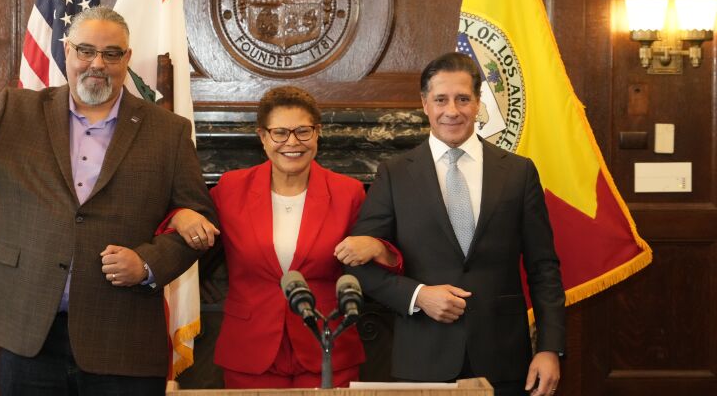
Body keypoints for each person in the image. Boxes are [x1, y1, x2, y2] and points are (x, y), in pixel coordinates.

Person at [0, 5, 217, 395]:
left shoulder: (168, 131)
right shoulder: (16, 111)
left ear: (126, 58)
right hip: (29, 333)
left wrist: (147, 264)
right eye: (86, 50)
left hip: (122, 338)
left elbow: (201, 220)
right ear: (67, 52)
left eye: (110, 54)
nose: (97, 64)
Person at [346, 52, 565, 396]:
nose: (452, 110)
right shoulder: (394, 174)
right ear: (424, 104)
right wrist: (419, 296)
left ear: (478, 103)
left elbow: (544, 267)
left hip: (505, 360)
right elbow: (361, 266)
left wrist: (550, 349)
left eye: (463, 99)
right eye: (441, 99)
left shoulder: (519, 172)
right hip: (422, 359)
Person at [167, 86, 398, 388]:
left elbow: (384, 258)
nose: (292, 142)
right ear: (262, 137)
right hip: (250, 352)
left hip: (327, 349)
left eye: (303, 131)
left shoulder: (348, 192)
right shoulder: (231, 188)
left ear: (317, 133)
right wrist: (179, 215)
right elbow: (187, 221)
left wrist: (378, 247)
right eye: (280, 133)